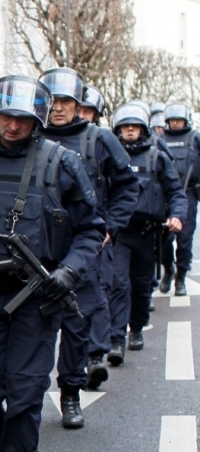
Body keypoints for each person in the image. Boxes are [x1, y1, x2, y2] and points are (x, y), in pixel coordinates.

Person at [0, 75, 104, 451]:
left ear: (39, 120)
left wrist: (68, 270)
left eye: (23, 119)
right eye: (6, 118)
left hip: (36, 302)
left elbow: (90, 230)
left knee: (25, 395)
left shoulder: (61, 163)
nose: (13, 126)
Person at [38, 68, 138, 428]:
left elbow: (127, 185)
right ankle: (28, 394)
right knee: (32, 327)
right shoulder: (29, 137)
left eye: (66, 101)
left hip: (83, 247)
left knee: (77, 325)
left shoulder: (99, 139)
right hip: (35, 249)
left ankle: (70, 393)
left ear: (79, 104)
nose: (59, 109)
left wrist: (110, 227)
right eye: (52, 101)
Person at [107, 104, 186, 364]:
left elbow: (175, 190)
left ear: (142, 129)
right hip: (118, 233)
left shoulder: (156, 157)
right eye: (125, 125)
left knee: (141, 287)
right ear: (118, 128)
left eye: (135, 125)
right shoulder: (109, 156)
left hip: (147, 232)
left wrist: (177, 215)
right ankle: (116, 339)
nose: (130, 129)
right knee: (118, 284)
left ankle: (137, 328)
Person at [158, 102, 200, 296]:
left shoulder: (195, 138)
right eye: (172, 120)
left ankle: (181, 277)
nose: (175, 123)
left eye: (179, 120)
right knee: (164, 239)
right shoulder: (159, 139)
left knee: (185, 238)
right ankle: (168, 270)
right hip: (165, 196)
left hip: (189, 193)